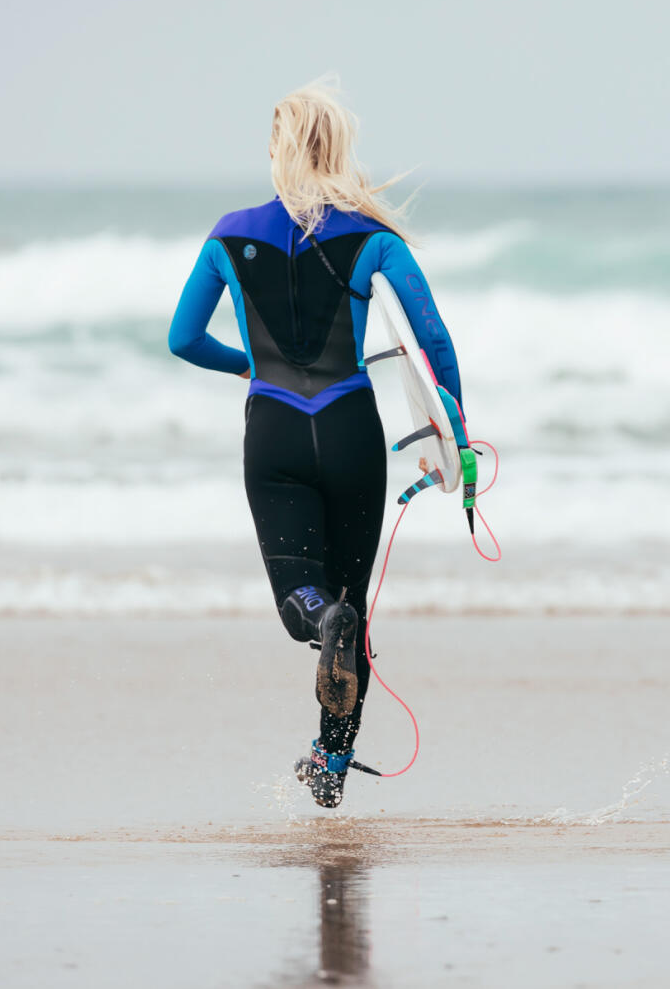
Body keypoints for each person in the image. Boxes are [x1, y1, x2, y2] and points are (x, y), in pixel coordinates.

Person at [168, 81, 463, 808]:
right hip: (350, 428)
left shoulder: (229, 235)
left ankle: (316, 619)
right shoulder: (373, 237)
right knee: (353, 602)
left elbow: (181, 339)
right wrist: (455, 431)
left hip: (273, 430)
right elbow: (431, 338)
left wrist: (248, 364)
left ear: (279, 150)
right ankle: (331, 765)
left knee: (302, 596)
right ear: (337, 150)